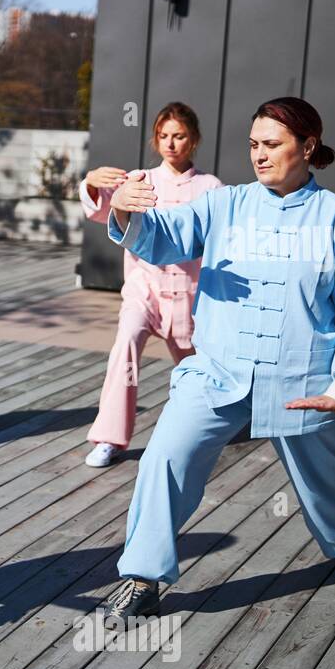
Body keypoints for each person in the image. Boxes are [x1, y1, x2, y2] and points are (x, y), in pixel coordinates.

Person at [99, 96, 335, 624]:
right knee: (163, 460)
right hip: (216, 373)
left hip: (302, 379)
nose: (259, 155)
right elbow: (161, 240)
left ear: (307, 146)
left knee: (329, 477)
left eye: (272, 144)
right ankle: (141, 577)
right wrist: (122, 207)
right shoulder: (224, 203)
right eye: (253, 144)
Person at [79, 102, 223, 468]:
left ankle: (206, 429)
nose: (170, 143)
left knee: (197, 371)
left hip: (190, 296)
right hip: (145, 289)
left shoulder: (210, 187)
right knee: (126, 341)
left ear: (194, 139)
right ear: (155, 140)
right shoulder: (139, 179)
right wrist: (91, 182)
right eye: (163, 136)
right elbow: (103, 211)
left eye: (179, 136)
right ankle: (110, 438)